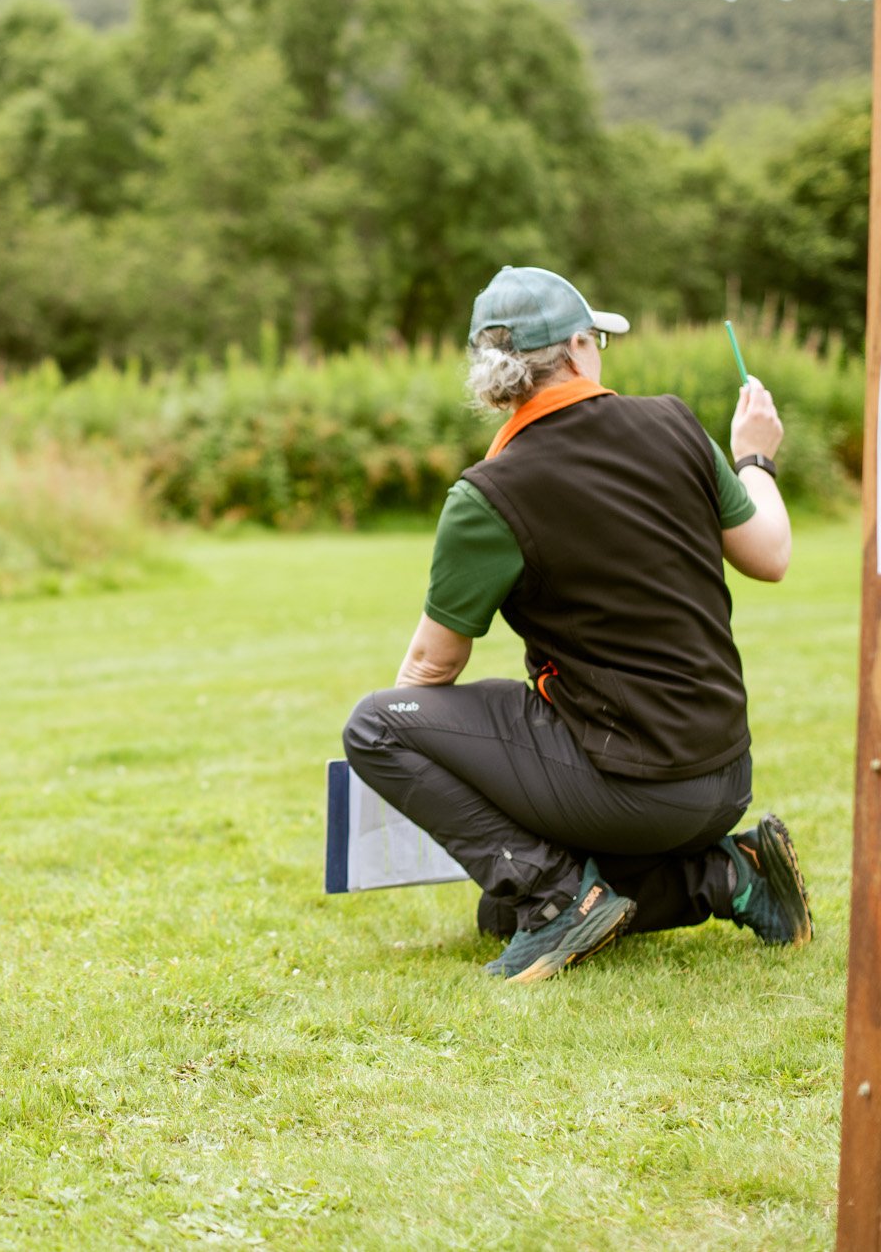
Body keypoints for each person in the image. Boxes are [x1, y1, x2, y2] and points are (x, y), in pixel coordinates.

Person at [341, 266, 813, 983]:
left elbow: (432, 668)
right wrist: (754, 456)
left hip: (630, 787)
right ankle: (733, 875)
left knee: (377, 726)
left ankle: (560, 895)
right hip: (724, 776)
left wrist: (422, 775)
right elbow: (770, 555)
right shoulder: (677, 424)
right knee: (498, 913)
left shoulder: (490, 492)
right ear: (578, 348)